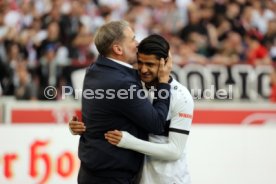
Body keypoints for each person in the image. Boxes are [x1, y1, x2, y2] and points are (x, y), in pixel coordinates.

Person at [70, 34, 194, 184]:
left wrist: (130, 142)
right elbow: (111, 117)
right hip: (138, 178)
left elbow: (175, 151)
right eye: (140, 62)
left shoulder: (182, 96)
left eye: (150, 64)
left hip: (169, 180)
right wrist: (82, 127)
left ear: (165, 63)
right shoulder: (131, 86)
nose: (143, 70)